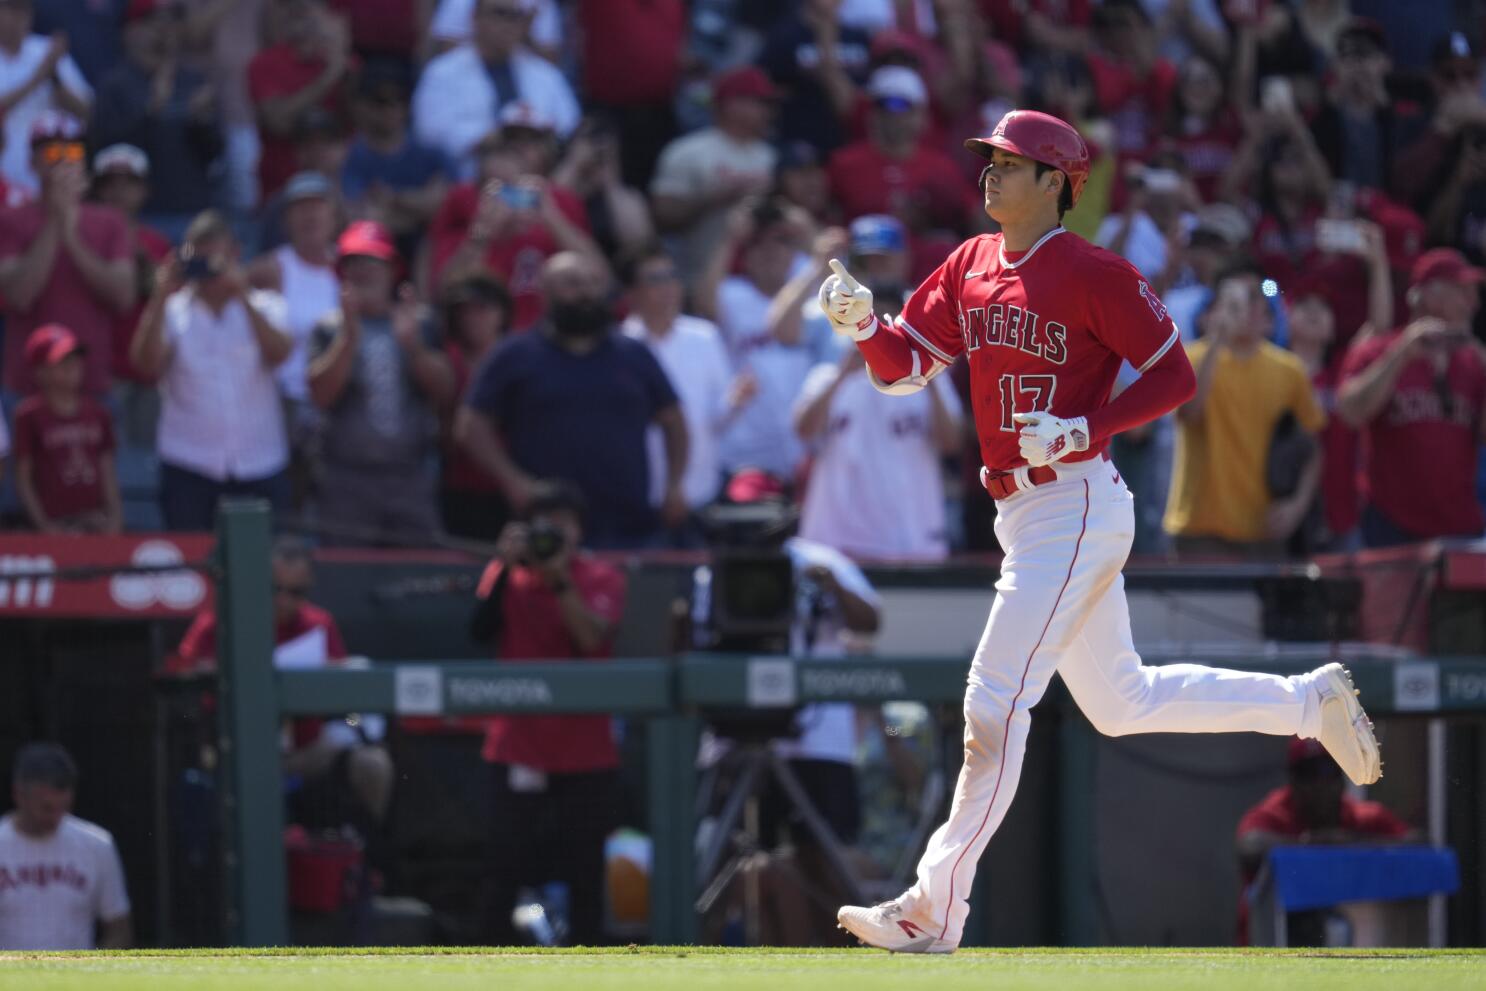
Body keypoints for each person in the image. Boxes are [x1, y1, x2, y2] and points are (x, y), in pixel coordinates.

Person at [819, 108, 1382, 953]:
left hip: (1075, 498)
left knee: (992, 701)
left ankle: (934, 908)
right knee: (1124, 703)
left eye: (1010, 163)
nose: (990, 174)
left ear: (1057, 182)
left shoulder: (1093, 270)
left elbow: (1174, 376)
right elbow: (905, 369)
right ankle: (1309, 699)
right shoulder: (970, 261)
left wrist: (1086, 426)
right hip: (1026, 511)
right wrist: (864, 325)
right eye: (989, 161)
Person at [468, 480, 626, 946]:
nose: (552, 535)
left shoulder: (601, 577)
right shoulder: (508, 575)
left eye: (562, 526)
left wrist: (558, 577)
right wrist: (502, 563)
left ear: (579, 531)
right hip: (518, 743)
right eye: (543, 526)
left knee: (585, 877)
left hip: (585, 751)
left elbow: (591, 638)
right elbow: (479, 631)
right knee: (502, 872)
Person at [457, 251, 688, 549]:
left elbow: (674, 420)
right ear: (546, 292)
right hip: (547, 528)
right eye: (572, 284)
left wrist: (673, 485)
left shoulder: (633, 355)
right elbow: (471, 424)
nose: (585, 293)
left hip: (629, 530)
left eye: (592, 283)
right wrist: (513, 481)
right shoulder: (516, 355)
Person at [172, 536, 394, 843]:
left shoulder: (319, 624)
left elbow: (350, 704)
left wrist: (353, 727)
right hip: (241, 749)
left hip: (307, 748)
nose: (284, 600)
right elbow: (185, 684)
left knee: (372, 761)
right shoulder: (218, 623)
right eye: (274, 589)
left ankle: (358, 862)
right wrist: (218, 672)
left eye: (296, 592)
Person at [795, 215, 963, 561]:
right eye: (866, 259)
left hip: (909, 531)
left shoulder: (927, 353)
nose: (879, 334)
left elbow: (952, 443)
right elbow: (802, 431)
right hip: (839, 537)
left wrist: (926, 374)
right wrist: (843, 373)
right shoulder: (830, 364)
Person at [131, 210, 293, 530]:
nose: (209, 269)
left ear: (235, 254)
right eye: (200, 259)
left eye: (216, 257)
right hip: (189, 466)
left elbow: (280, 354)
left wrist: (241, 293)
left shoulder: (266, 304)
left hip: (259, 463)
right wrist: (160, 295)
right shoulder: (174, 312)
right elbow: (146, 364)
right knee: (193, 571)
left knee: (261, 570)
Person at [1163, 259, 1327, 558]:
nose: (1248, 311)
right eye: (1235, 302)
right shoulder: (1189, 359)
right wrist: (1217, 341)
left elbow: (1313, 449)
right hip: (1201, 532)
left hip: (1264, 532)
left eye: (1257, 302)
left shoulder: (1289, 371)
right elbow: (1189, 415)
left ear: (1269, 319)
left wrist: (1296, 506)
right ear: (1210, 314)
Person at [307, 220, 453, 545]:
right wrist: (348, 338)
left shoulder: (421, 323)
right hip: (346, 480)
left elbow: (444, 391)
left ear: (392, 270)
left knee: (419, 573)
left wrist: (413, 346)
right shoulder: (327, 329)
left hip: (410, 476)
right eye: (354, 263)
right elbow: (320, 395)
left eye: (373, 261)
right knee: (345, 576)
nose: (364, 271)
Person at [1336, 248, 1486, 547]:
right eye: (1461, 291)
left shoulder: (1474, 362)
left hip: (1459, 527)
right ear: (1425, 296)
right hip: (1391, 527)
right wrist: (1400, 357)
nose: (1473, 303)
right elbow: (1350, 412)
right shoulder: (1380, 350)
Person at [429, 111, 602, 334]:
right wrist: (482, 235)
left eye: (512, 188)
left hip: (550, 337)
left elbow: (600, 280)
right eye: (496, 189)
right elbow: (444, 295)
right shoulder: (466, 229)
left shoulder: (549, 220)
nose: (505, 199)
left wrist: (551, 218)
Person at [0, 112, 133, 401]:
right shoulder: (9, 220)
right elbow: (19, 295)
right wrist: (54, 223)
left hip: (93, 385)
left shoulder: (110, 221)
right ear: (32, 162)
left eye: (72, 151)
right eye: (51, 151)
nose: (63, 160)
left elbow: (123, 296)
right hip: (27, 389)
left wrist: (71, 237)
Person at [1234, 737, 1412, 945]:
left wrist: (1352, 844)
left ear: (1342, 778)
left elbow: (1418, 841)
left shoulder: (1359, 817)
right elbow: (1249, 846)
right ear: (1292, 780)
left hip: (1358, 949)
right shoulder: (1276, 814)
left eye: (1328, 772)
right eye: (1307, 773)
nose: (1320, 784)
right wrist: (1311, 844)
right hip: (1273, 952)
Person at [620, 242, 741, 528]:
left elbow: (715, 419)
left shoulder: (705, 337)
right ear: (631, 293)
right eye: (655, 280)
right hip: (637, 495)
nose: (668, 287)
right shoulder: (618, 345)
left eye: (672, 277)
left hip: (700, 492)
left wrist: (735, 404)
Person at [412, 0, 579, 177]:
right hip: (468, 183)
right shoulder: (441, 72)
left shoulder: (546, 74)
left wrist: (540, 141)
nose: (508, 23)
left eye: (515, 16)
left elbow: (570, 128)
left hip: (539, 183)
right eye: (500, 13)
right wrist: (490, 138)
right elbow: (429, 134)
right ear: (475, 17)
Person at [92, 0, 221, 228]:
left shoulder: (193, 81)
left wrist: (201, 122)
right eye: (152, 23)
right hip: (139, 217)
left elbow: (215, 153)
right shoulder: (115, 86)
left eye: (170, 22)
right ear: (130, 31)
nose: (162, 30)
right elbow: (105, 149)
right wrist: (151, 111)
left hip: (190, 212)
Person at [649, 66, 779, 290]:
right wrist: (718, 198)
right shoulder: (687, 151)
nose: (767, 111)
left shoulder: (771, 155)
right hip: (699, 277)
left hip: (762, 284)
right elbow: (662, 217)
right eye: (760, 102)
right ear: (731, 103)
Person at [0, 742, 131, 950]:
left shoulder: (97, 845)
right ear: (19, 795)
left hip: (75, 980)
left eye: (64, 807)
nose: (56, 817)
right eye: (46, 808)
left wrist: (97, 974)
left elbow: (118, 927)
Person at [13, 324, 121, 534]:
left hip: (95, 522)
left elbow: (107, 470)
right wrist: (44, 526)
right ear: (40, 371)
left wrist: (115, 519)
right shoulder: (29, 415)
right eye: (62, 360)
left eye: (75, 357)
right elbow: (23, 478)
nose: (72, 365)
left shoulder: (98, 414)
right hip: (56, 526)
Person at [339, 62, 453, 254]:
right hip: (372, 254)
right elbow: (363, 222)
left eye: (399, 99)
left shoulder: (429, 152)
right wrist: (417, 208)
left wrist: (393, 198)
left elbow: (442, 207)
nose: (391, 109)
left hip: (423, 250)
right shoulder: (351, 157)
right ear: (363, 106)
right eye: (380, 101)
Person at [248, 0, 352, 199]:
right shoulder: (265, 63)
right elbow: (277, 122)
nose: (306, 17)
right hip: (282, 191)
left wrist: (341, 56)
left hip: (340, 192)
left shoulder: (346, 65)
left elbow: (360, 124)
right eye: (297, 9)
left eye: (312, 9)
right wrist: (328, 78)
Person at [438, 272, 512, 541]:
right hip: (456, 486)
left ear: (501, 312)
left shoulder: (520, 359)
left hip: (509, 487)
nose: (472, 317)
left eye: (482, 308)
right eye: (464, 310)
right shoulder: (445, 361)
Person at [0, 0, 91, 193]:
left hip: (49, 176)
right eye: (9, 7)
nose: (17, 16)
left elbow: (87, 111)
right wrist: (40, 76)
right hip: (4, 175)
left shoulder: (46, 50)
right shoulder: (47, 61)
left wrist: (54, 77)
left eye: (23, 9)